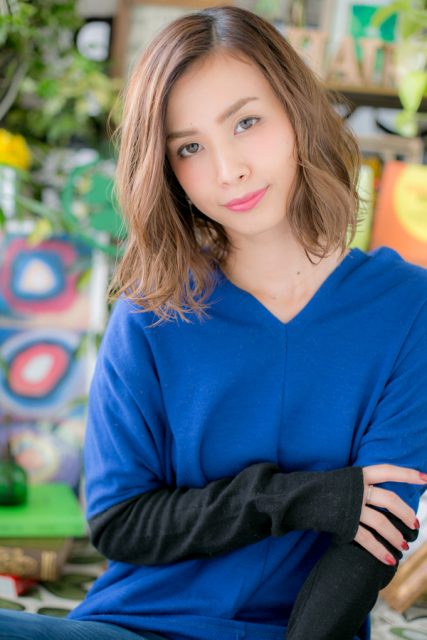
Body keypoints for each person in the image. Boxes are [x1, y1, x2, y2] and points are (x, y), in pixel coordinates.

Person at [1, 5, 426, 640]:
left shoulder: (407, 306)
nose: (229, 170)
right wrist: (294, 498)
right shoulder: (150, 310)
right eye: (190, 147)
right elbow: (119, 523)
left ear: (296, 111)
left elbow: (374, 538)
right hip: (132, 627)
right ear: (168, 169)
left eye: (246, 122)